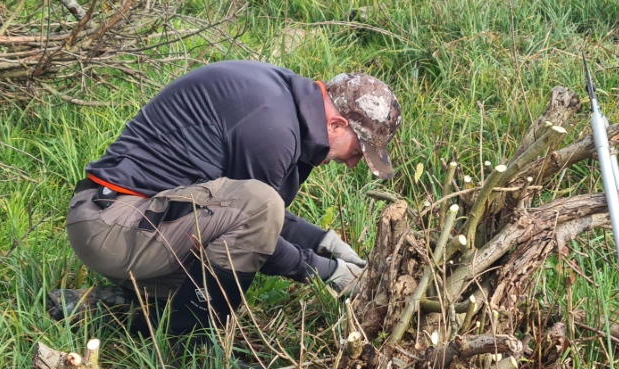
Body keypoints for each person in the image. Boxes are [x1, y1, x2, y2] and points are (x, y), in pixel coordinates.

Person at [47, 60, 402, 335]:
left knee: (222, 265)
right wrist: (326, 271)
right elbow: (257, 220)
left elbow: (235, 210)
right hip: (114, 225)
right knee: (251, 226)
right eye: (359, 150)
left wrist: (325, 242)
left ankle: (102, 309)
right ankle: (194, 346)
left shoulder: (282, 102)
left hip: (125, 216)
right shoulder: (274, 129)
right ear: (337, 125)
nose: (353, 163)